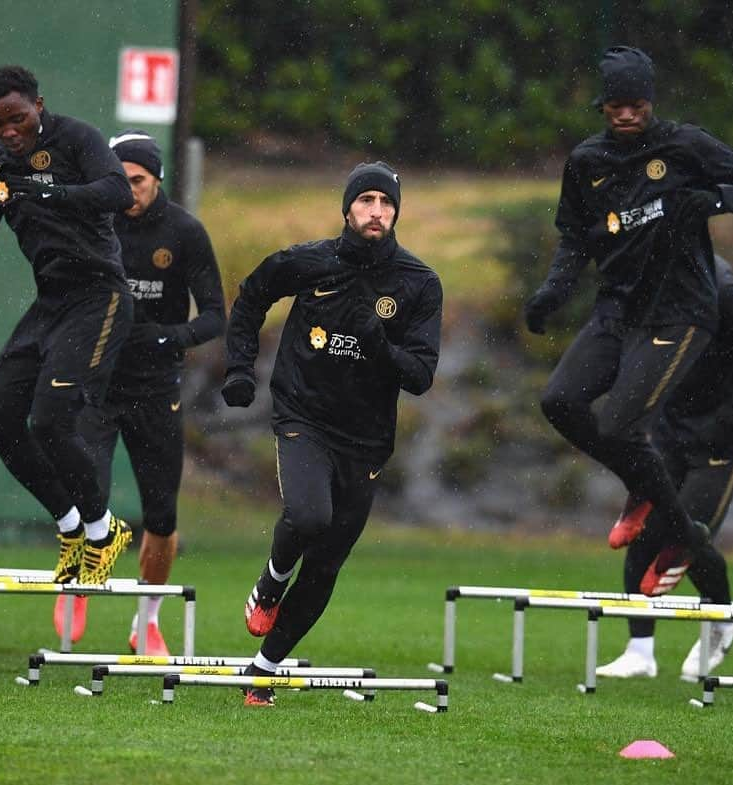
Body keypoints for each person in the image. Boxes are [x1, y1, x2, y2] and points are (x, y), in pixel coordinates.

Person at [524, 46, 733, 589]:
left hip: (680, 311)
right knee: (559, 402)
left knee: (620, 422)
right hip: (616, 309)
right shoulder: (586, 162)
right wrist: (552, 290)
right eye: (615, 105)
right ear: (602, 106)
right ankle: (653, 496)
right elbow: (574, 237)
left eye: (635, 104)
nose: (625, 115)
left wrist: (712, 200)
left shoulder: (683, 145)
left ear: (650, 101)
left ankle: (673, 521)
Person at [222, 162, 442, 706]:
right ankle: (272, 580)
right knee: (308, 516)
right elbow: (251, 296)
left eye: (386, 203)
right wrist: (239, 369)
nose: (377, 211)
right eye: (366, 200)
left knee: (326, 564)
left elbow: (419, 376)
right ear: (347, 208)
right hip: (304, 416)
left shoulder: (418, 283)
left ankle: (265, 672)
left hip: (366, 438)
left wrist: (377, 343)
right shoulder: (311, 261)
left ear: (396, 213)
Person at [0, 65, 134, 584]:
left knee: (50, 420)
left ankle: (105, 533)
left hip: (98, 295)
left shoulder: (76, 139)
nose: (9, 133)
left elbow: (119, 192)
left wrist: (55, 194)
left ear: (39, 105)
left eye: (17, 119)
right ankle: (71, 524)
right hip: (49, 305)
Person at [52, 132, 226, 651]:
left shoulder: (185, 233)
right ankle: (80, 579)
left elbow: (216, 314)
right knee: (88, 493)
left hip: (155, 389)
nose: (128, 193)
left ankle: (146, 622)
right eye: (119, 182)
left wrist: (170, 337)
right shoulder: (92, 223)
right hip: (97, 384)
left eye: (139, 182)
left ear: (157, 180)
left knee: (162, 513)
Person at [596, 257, 733, 680]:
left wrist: (725, 419)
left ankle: (723, 616)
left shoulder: (727, 294)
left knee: (685, 530)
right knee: (646, 528)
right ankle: (640, 650)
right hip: (670, 428)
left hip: (724, 438)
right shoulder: (653, 282)